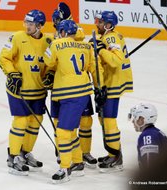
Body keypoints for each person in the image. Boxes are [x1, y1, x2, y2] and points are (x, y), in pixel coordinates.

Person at [44, 19, 105, 183]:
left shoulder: (56, 43)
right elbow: (95, 68)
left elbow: (48, 62)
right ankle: (78, 163)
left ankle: (65, 168)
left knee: (63, 131)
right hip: (80, 92)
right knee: (69, 131)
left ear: (62, 32)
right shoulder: (86, 46)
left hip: (68, 93)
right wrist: (100, 87)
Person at [0, 10, 53, 175]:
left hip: (38, 91)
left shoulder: (48, 41)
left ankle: (25, 152)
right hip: (18, 90)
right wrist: (12, 73)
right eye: (26, 23)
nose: (27, 26)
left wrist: (50, 74)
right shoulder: (16, 37)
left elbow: (51, 63)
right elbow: (4, 58)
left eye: (31, 24)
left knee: (35, 123)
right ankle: (13, 156)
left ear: (40, 26)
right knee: (21, 121)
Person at [50, 2, 98, 168]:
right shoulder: (58, 38)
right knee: (61, 124)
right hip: (67, 87)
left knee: (84, 122)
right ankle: (64, 151)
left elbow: (49, 61)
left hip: (71, 88)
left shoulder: (71, 36)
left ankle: (83, 154)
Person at [91, 10, 133, 172]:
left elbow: (115, 61)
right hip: (110, 82)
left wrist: (100, 49)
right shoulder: (109, 36)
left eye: (100, 22)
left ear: (109, 25)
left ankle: (116, 157)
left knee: (108, 120)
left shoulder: (110, 37)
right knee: (104, 119)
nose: (97, 24)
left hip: (112, 84)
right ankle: (112, 153)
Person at [128, 103, 167, 169]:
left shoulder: (148, 136)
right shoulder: (155, 132)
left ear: (142, 119)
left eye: (135, 118)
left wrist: (148, 178)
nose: (133, 121)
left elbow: (149, 164)